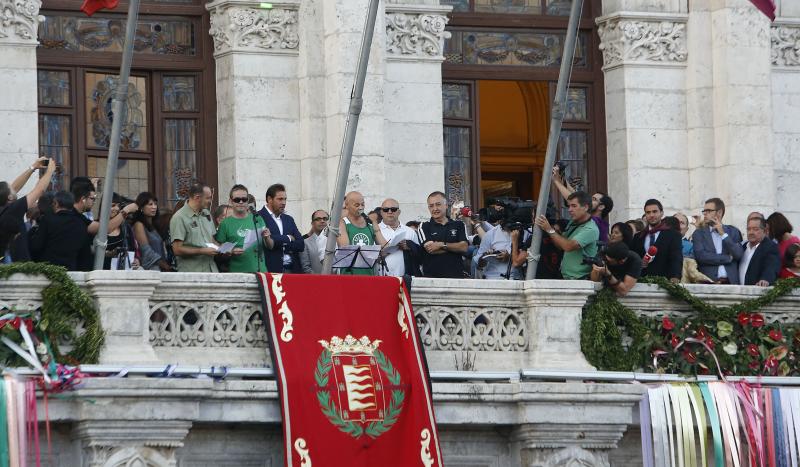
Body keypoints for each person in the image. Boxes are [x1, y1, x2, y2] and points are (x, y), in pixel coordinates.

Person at [71, 178, 138, 270]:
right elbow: (105, 229)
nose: (94, 202)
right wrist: (126, 210)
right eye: (92, 198)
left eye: (118, 206)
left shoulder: (125, 228)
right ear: (83, 198)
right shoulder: (74, 217)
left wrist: (110, 253)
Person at [0, 157, 56, 263]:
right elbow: (39, 190)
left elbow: (14, 187)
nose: (15, 188)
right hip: (16, 268)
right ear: (10, 198)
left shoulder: (3, 207)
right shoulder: (13, 210)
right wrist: (50, 171)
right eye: (11, 188)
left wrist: (33, 167)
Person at [534, 191, 599, 280]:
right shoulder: (573, 222)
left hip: (579, 280)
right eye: (569, 206)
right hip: (566, 278)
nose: (569, 210)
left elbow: (568, 246)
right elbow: (560, 245)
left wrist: (549, 229)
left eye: (574, 206)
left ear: (586, 207)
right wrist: (548, 229)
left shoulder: (590, 229)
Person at [215, 184, 273, 273]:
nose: (241, 202)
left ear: (247, 201)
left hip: (260, 271)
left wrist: (267, 237)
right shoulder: (225, 223)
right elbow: (219, 251)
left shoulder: (257, 218)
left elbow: (270, 246)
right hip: (237, 273)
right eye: (237, 200)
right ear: (231, 201)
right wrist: (231, 251)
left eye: (244, 199)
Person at [29, 191, 91, 270]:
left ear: (56, 203)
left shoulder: (48, 220)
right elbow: (84, 253)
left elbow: (36, 246)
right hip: (70, 272)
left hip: (48, 270)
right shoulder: (80, 223)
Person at [551, 165, 612, 244]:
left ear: (601, 206)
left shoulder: (595, 222)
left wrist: (556, 181)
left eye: (594, 199)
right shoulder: (594, 220)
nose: (589, 200)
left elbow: (573, 199)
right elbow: (576, 196)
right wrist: (562, 178)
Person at [169, 182, 220, 272]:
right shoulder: (179, 217)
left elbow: (211, 240)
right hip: (192, 273)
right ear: (197, 197)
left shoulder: (206, 213)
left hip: (211, 270)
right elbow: (177, 249)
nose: (210, 201)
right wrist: (202, 251)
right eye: (208, 198)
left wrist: (224, 249)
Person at [417, 191, 469, 278]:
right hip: (432, 279)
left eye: (438, 204)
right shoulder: (424, 226)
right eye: (431, 206)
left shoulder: (459, 224)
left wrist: (441, 245)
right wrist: (455, 248)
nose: (435, 209)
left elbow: (464, 248)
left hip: (456, 277)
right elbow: (431, 249)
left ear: (446, 205)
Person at [691, 198, 743, 284]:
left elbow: (738, 254)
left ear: (719, 212)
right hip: (708, 283)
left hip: (731, 283)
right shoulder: (698, 234)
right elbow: (701, 257)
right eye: (704, 211)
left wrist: (723, 234)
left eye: (709, 211)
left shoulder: (733, 231)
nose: (705, 213)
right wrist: (728, 258)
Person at [631, 199, 683, 283]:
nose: (651, 215)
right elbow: (632, 257)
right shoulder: (638, 236)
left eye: (655, 211)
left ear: (661, 213)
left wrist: (675, 276)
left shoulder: (673, 235)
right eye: (648, 212)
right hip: (641, 282)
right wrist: (639, 262)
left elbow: (676, 257)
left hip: (665, 282)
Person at [336, 191, 387, 275]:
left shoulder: (370, 223)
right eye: (356, 205)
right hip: (349, 275)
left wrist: (374, 222)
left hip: (369, 274)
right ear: (347, 205)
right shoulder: (342, 223)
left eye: (362, 204)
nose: (360, 207)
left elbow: (385, 247)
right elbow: (346, 249)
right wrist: (372, 254)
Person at [258, 184, 304, 273]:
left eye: (285, 199)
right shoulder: (259, 217)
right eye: (280, 199)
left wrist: (278, 242)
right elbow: (263, 243)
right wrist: (288, 238)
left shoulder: (289, 219)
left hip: (293, 271)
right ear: (269, 199)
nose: (284, 203)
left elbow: (301, 244)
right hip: (271, 271)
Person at [377, 199, 420, 277]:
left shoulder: (410, 231)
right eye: (386, 209)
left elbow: (419, 256)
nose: (390, 212)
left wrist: (409, 247)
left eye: (393, 209)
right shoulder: (374, 230)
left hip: (405, 279)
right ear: (381, 212)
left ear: (399, 212)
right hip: (381, 278)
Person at [131, 192, 173, 272]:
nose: (154, 207)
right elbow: (146, 251)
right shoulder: (139, 225)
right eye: (150, 204)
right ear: (141, 207)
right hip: (150, 269)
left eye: (155, 204)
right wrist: (165, 265)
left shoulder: (154, 225)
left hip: (160, 268)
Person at [739, 217, 780, 286]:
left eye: (755, 229)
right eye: (749, 229)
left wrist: (766, 279)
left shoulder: (770, 247)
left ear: (764, 231)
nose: (751, 232)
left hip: (757, 292)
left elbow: (771, 266)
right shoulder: (743, 247)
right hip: (738, 292)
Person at [101, 194, 136, 270]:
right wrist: (111, 253)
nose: (117, 208)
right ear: (104, 206)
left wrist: (135, 261)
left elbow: (132, 250)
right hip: (101, 273)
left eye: (118, 205)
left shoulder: (126, 227)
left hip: (122, 274)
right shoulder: (97, 226)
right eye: (113, 205)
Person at [300, 210, 328, 274]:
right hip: (316, 281)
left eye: (325, 219)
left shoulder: (336, 240)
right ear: (312, 223)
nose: (322, 221)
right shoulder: (305, 242)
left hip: (337, 280)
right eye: (318, 219)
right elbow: (306, 268)